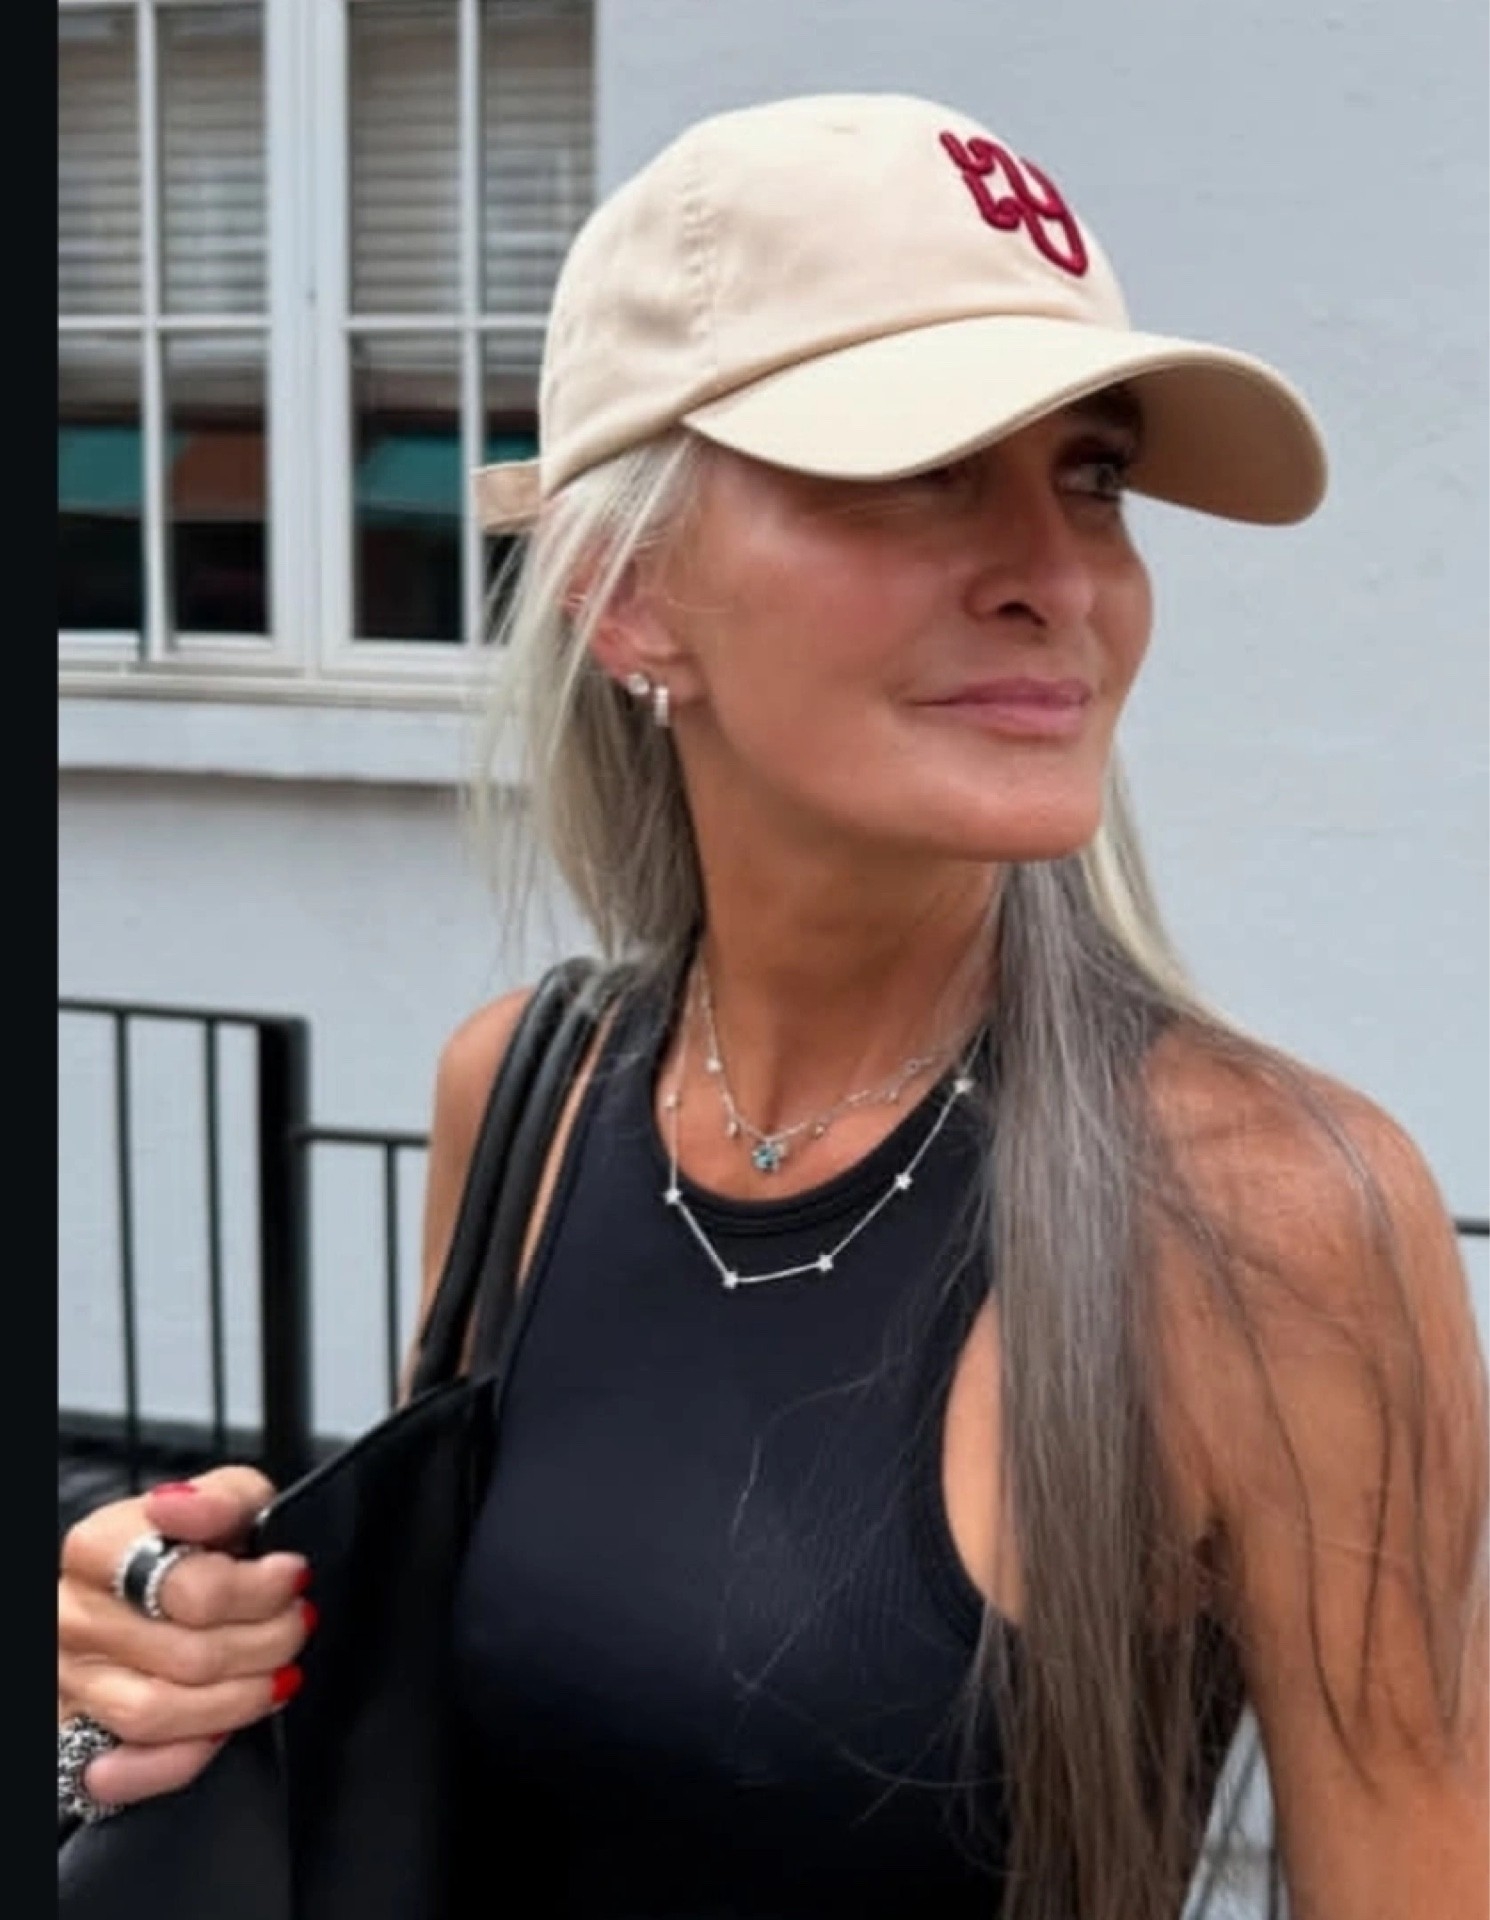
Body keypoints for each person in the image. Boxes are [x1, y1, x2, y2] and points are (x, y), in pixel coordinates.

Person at [57, 92, 1487, 1920]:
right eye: (921, 469)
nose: (1058, 578)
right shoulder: (527, 1093)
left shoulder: (1262, 1219)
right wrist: (168, 1663)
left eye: (1092, 478)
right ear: (626, 595)